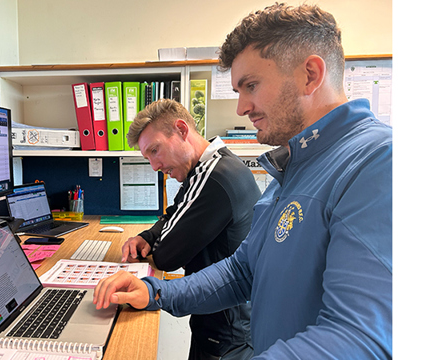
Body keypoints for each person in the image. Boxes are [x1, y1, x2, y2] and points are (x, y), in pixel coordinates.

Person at [94, 3, 392, 359]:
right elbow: (242, 271)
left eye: (251, 85)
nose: (241, 107)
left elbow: (360, 338)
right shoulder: (293, 167)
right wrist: (156, 293)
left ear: (310, 74)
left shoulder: (379, 162)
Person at [123, 98, 261, 360]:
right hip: (223, 321)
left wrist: (156, 243)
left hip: (226, 333)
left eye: (155, 150)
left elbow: (167, 257)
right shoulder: (208, 167)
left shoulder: (215, 178)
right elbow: (175, 212)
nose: (154, 166)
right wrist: (147, 236)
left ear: (181, 130)